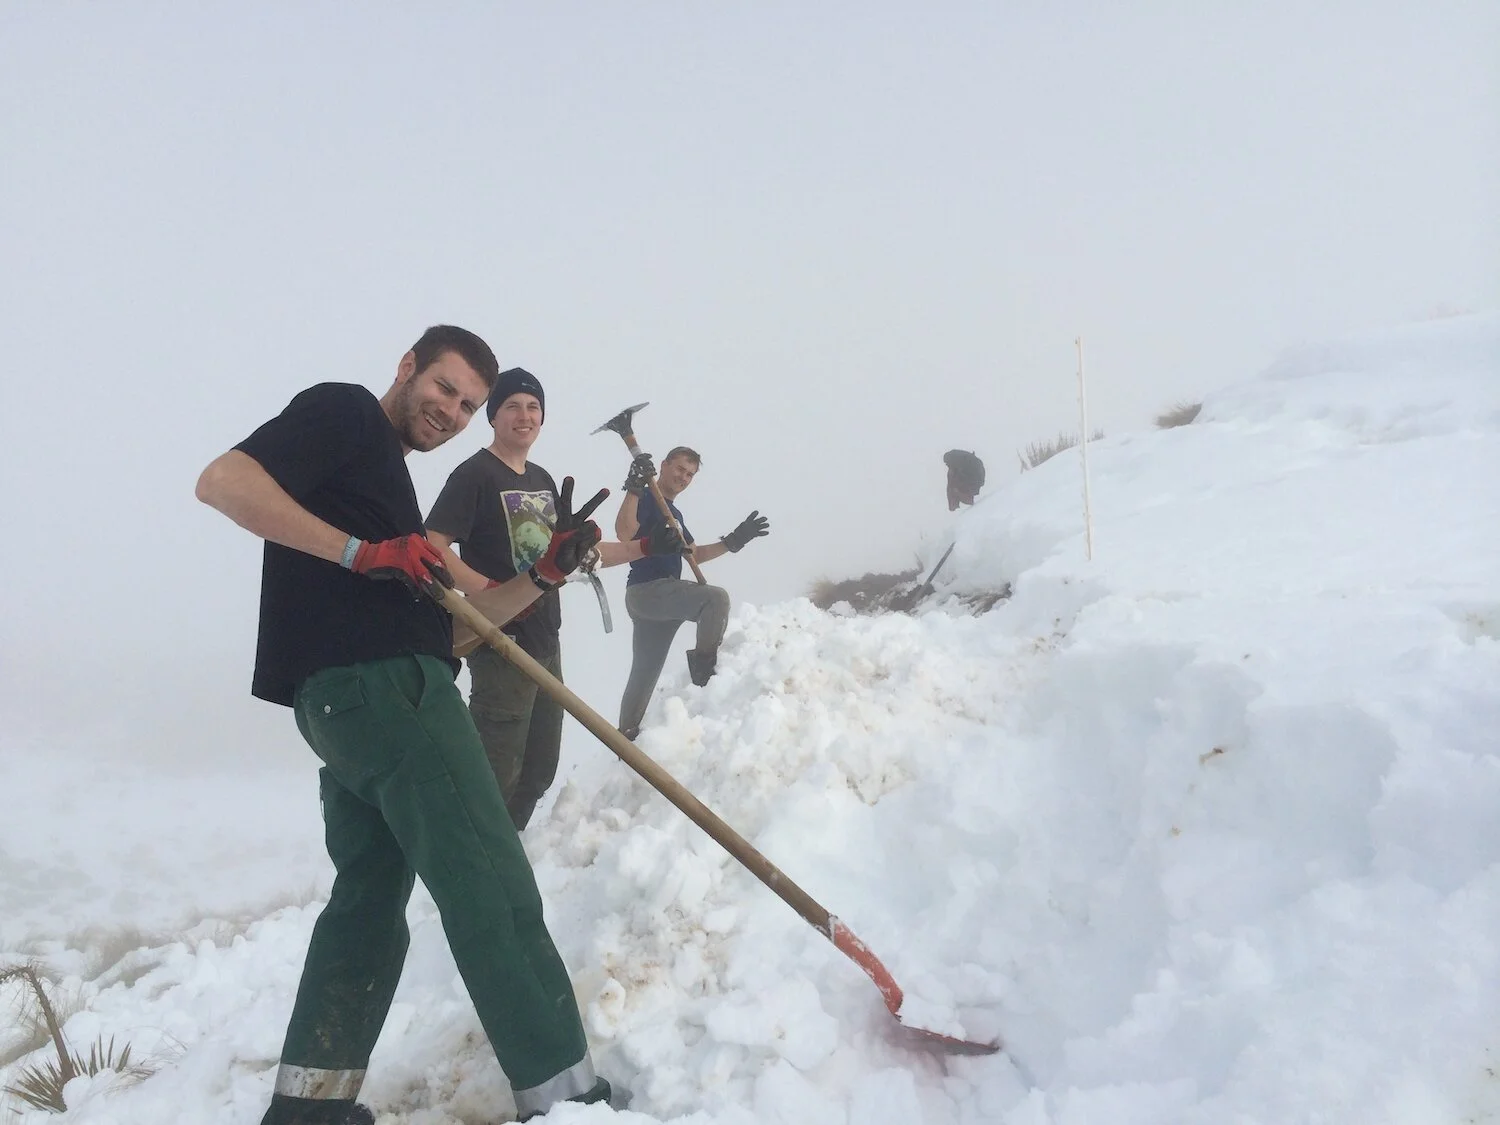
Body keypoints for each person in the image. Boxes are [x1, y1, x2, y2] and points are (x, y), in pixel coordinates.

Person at [195, 327, 618, 1125]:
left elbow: (458, 631)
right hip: (390, 693)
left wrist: (546, 572)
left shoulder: (386, 497)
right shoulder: (348, 413)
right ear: (406, 367)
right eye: (445, 388)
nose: (453, 410)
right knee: (490, 881)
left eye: (467, 403)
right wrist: (362, 552)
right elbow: (222, 482)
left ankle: (308, 1109)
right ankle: (570, 1102)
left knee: (366, 901)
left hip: (344, 709)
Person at [424, 367, 685, 829]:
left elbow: (575, 558)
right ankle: (471, 860)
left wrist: (645, 547)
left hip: (546, 638)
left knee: (539, 770)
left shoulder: (541, 479)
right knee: (492, 774)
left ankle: (509, 850)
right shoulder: (475, 475)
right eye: (512, 406)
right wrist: (487, 589)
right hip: (500, 639)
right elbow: (432, 545)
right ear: (492, 416)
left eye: (533, 407)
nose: (524, 416)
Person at [614, 446, 769, 740]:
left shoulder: (674, 513)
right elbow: (624, 533)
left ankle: (626, 736)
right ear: (663, 465)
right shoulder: (647, 498)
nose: (684, 477)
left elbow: (693, 553)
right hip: (649, 589)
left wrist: (733, 541)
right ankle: (705, 678)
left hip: (662, 599)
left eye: (690, 474)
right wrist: (634, 488)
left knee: (645, 673)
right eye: (680, 469)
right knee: (715, 598)